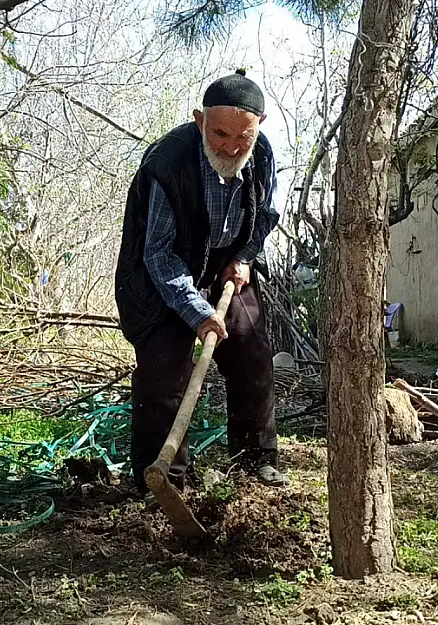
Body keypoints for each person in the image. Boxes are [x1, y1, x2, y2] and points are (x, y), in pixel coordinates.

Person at [114, 69, 287, 494]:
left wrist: (245, 258)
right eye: (220, 134)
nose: (230, 147)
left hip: (228, 266)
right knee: (164, 370)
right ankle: (164, 479)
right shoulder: (167, 163)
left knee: (253, 353)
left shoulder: (261, 155)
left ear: (258, 126)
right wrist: (198, 313)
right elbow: (156, 252)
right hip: (164, 273)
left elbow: (266, 216)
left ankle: (254, 459)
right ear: (200, 120)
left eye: (242, 137)